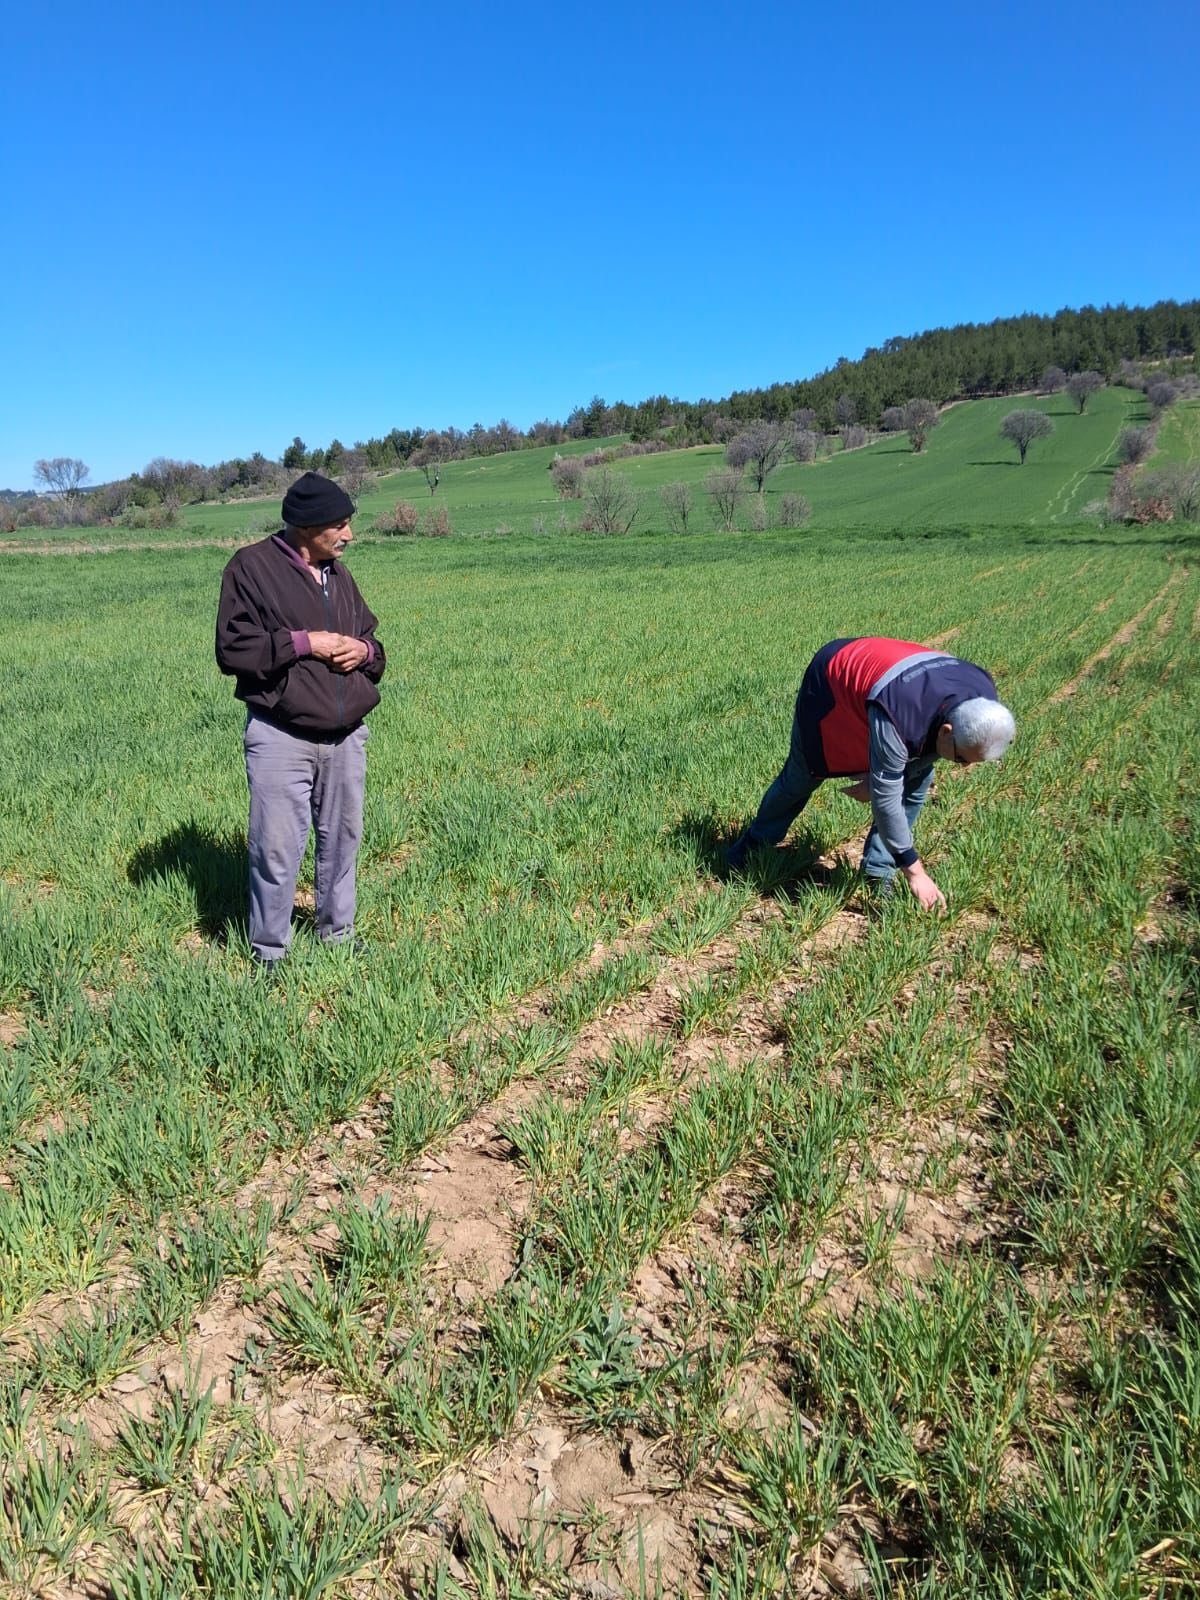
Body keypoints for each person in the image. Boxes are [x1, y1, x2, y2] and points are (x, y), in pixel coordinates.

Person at [216, 472, 386, 966]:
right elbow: (233, 649)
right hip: (280, 734)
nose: (350, 534)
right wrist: (304, 642)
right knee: (275, 847)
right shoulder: (251, 568)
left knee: (343, 841)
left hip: (346, 735)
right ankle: (270, 952)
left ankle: (338, 937)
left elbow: (374, 645)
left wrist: (364, 651)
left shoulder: (339, 575)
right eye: (340, 525)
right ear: (307, 526)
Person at [725, 636, 1015, 909]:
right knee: (803, 775)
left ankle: (878, 870)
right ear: (946, 731)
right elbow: (886, 800)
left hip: (891, 685)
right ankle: (752, 845)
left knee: (918, 779)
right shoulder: (900, 713)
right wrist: (915, 872)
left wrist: (883, 780)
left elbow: (922, 756)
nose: (965, 767)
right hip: (833, 680)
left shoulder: (984, 700)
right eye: (962, 759)